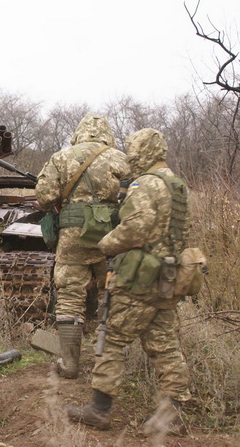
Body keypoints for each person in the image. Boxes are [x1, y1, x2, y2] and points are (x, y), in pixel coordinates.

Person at [65, 128, 192, 435]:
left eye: (134, 152)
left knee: (111, 340)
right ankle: (172, 412)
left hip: (138, 279)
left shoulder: (145, 185)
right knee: (164, 345)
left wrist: (106, 243)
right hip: (168, 276)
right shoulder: (176, 185)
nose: (131, 157)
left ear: (143, 152)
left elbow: (134, 229)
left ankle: (99, 410)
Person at [36, 114, 129, 379]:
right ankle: (109, 366)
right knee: (111, 293)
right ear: (106, 133)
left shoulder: (61, 157)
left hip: (73, 236)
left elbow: (45, 197)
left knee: (69, 294)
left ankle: (70, 365)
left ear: (79, 132)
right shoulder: (120, 158)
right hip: (111, 235)